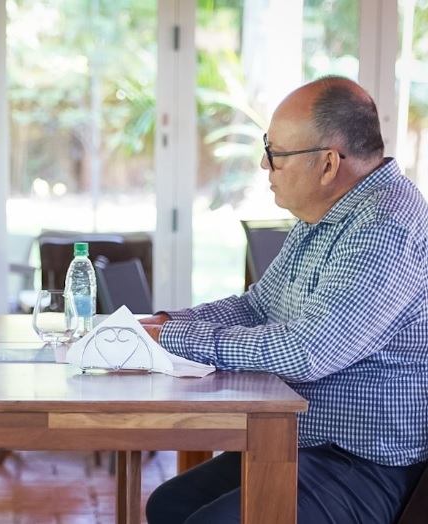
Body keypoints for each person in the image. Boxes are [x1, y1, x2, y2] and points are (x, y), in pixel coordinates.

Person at [142, 76, 428, 523]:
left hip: (364, 462)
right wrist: (163, 322)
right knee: (169, 505)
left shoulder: (384, 225)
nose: (263, 163)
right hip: (304, 440)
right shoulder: (327, 212)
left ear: (328, 164)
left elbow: (305, 351)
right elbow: (257, 306)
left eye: (275, 154)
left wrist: (177, 337)